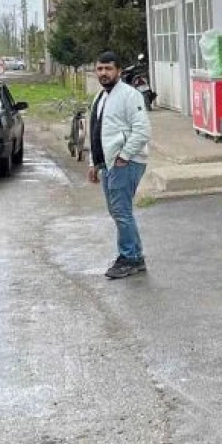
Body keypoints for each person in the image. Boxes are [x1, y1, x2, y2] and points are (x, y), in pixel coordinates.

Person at [88, 51, 153, 280]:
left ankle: (130, 258)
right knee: (117, 211)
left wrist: (124, 156)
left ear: (118, 71)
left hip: (125, 162)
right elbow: (96, 131)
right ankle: (133, 255)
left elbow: (142, 130)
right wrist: (94, 163)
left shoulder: (129, 95)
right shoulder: (101, 97)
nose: (103, 73)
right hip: (108, 163)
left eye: (108, 69)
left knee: (121, 211)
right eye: (100, 69)